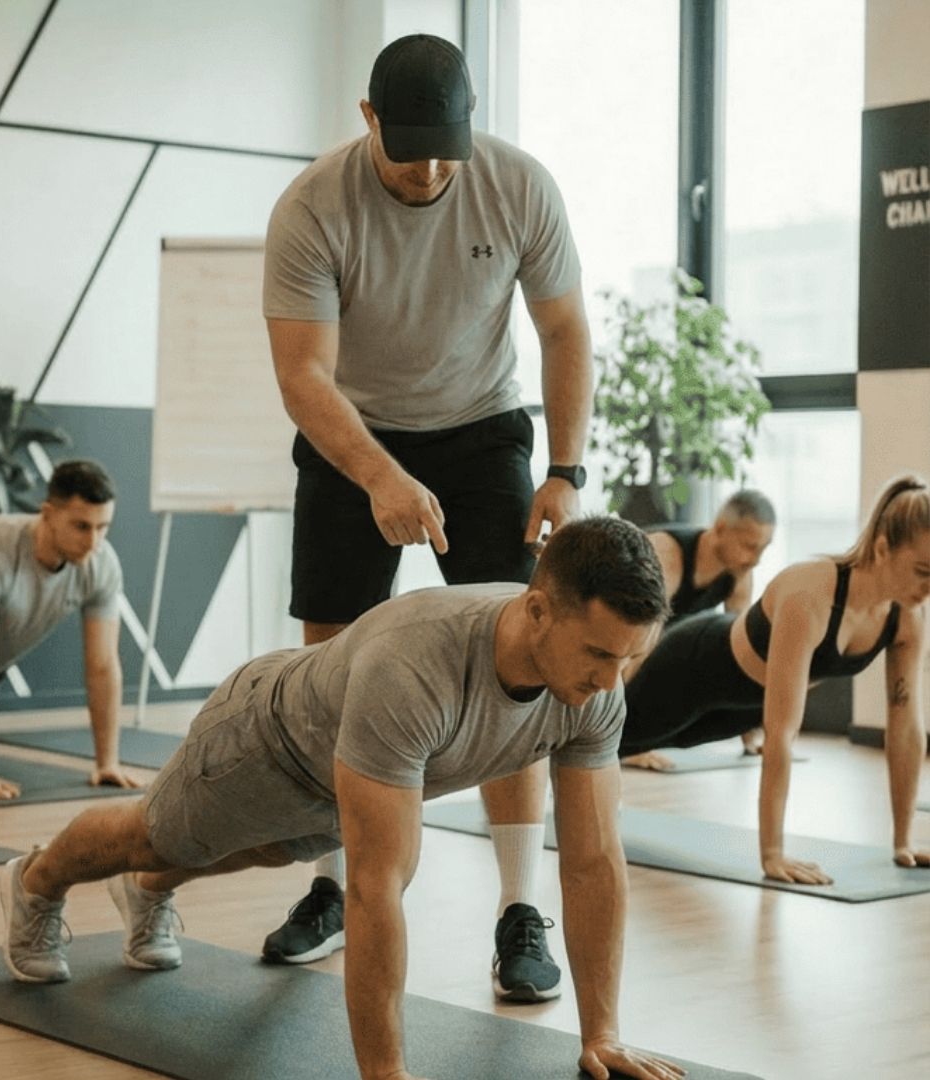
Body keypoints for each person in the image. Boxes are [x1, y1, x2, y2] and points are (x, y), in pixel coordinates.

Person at [0, 517, 682, 1080]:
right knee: (155, 835)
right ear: (538, 611)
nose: (610, 677)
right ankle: (33, 883)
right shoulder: (418, 663)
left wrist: (603, 1033)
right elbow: (377, 887)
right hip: (264, 743)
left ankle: (147, 892)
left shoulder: (596, 693)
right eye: (598, 653)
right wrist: (385, 1073)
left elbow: (593, 861)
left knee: (257, 852)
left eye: (627, 657)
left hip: (343, 774)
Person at [262, 32, 594, 995]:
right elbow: (303, 377)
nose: (434, 170)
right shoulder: (314, 208)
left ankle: (518, 910)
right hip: (349, 430)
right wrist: (376, 474)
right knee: (328, 664)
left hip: (484, 426)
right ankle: (328, 887)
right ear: (370, 121)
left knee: (518, 663)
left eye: (450, 147)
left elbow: (564, 326)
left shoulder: (520, 186)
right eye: (412, 153)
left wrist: (565, 467)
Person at [619, 475, 930, 885]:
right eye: (923, 570)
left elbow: (906, 727)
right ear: (883, 547)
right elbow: (782, 732)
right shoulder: (812, 593)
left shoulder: (906, 617)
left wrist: (902, 842)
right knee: (605, 741)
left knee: (641, 744)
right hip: (691, 668)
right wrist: (772, 854)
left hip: (739, 706)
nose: (929, 587)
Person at [0, 460, 139, 799]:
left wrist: (108, 763)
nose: (93, 541)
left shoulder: (101, 564)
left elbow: (103, 666)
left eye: (102, 527)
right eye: (81, 526)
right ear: (47, 513)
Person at [623, 490, 775, 769]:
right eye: (750, 546)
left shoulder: (739, 574)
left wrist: (750, 736)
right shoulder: (666, 554)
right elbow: (633, 641)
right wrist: (627, 744)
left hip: (652, 649)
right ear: (720, 528)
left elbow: (742, 655)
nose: (756, 559)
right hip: (614, 642)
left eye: (763, 549)